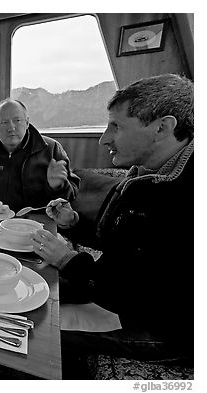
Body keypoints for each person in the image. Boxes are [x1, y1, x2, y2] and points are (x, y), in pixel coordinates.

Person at [30, 74, 194, 362]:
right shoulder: (144, 174)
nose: (104, 139)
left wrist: (68, 260)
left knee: (34, 330)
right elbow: (123, 242)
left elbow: (138, 294)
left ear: (163, 127)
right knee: (29, 282)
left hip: (160, 327)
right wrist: (74, 223)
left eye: (116, 126)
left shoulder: (186, 198)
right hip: (114, 289)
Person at [0, 98, 80, 212]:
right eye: (4, 122)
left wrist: (58, 186)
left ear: (27, 122)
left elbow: (72, 193)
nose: (11, 127)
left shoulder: (51, 148)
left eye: (17, 120)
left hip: (36, 221)